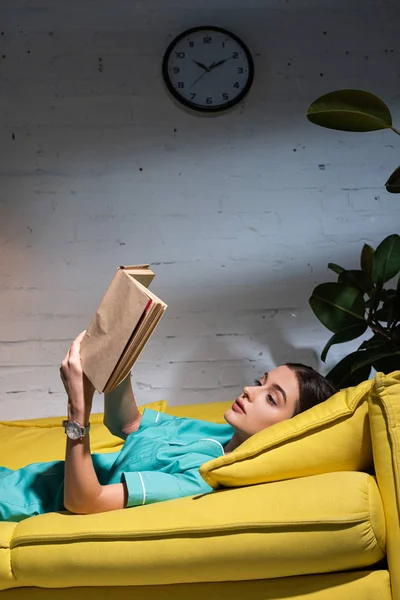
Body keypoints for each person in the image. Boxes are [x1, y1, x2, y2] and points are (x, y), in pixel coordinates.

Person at [0, 331, 338, 522]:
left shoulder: (204, 476)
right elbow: (128, 424)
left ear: (289, 432)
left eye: (271, 398)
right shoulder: (219, 436)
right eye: (259, 382)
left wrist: (78, 407)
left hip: (15, 503)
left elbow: (86, 501)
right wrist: (121, 355)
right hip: (16, 476)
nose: (250, 391)